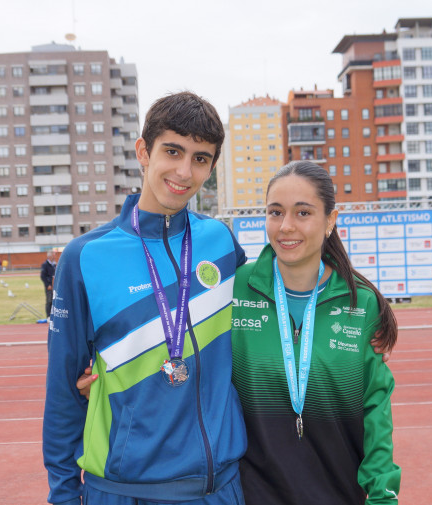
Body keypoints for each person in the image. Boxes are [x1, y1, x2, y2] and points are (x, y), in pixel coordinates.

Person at [43, 91, 248, 505]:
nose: (184, 171)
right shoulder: (86, 257)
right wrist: (64, 496)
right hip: (123, 492)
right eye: (173, 151)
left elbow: (277, 298)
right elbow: (64, 393)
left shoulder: (222, 241)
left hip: (217, 489)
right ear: (143, 151)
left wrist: (363, 317)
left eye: (200, 158)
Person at [229, 161, 401, 504]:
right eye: (275, 212)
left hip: (338, 493)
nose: (285, 226)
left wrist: (383, 496)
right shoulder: (234, 290)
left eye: (303, 213)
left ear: (330, 221)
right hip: (253, 495)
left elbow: (375, 412)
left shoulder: (360, 305)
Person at [40, 250, 57, 318]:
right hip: (49, 286)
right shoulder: (45, 265)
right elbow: (42, 276)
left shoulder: (54, 264)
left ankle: (53, 315)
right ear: (50, 256)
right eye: (54, 254)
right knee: (49, 300)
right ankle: (48, 316)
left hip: (55, 285)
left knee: (54, 300)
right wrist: (48, 285)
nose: (55, 256)